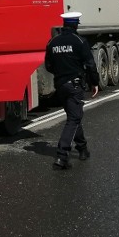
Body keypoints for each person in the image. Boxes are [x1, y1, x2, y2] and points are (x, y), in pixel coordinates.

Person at [44, 11, 100, 169]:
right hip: (74, 85)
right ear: (76, 25)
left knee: (73, 117)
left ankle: (82, 149)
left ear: (64, 24)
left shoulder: (52, 42)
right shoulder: (79, 41)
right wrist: (94, 83)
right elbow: (90, 64)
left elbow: (48, 66)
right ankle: (62, 156)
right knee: (73, 119)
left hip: (60, 85)